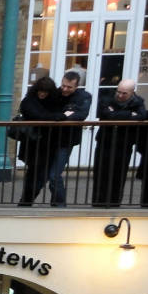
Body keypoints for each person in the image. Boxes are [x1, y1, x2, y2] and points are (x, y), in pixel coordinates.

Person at [19, 72, 90, 207]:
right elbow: (40, 114)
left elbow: (80, 115)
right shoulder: (50, 96)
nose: (64, 89)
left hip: (62, 141)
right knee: (38, 176)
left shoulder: (82, 97)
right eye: (63, 85)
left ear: (77, 86)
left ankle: (58, 204)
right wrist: (60, 116)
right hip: (43, 142)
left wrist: (61, 117)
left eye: (69, 87)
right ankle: (27, 202)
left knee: (53, 176)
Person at [92, 79, 145, 207]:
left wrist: (115, 114)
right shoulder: (107, 98)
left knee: (119, 174)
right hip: (105, 141)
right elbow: (106, 115)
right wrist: (129, 114)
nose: (120, 95)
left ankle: (114, 203)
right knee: (100, 173)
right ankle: (98, 202)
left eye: (124, 93)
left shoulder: (138, 102)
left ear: (132, 92)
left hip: (124, 143)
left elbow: (141, 116)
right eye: (119, 92)